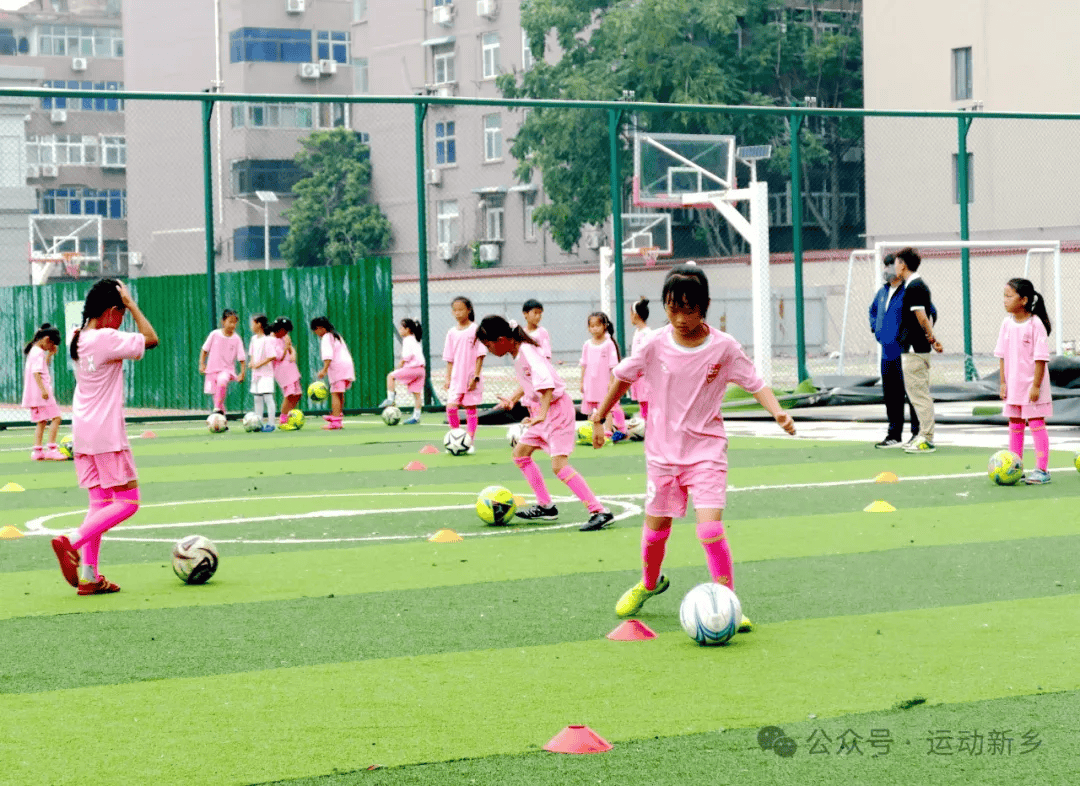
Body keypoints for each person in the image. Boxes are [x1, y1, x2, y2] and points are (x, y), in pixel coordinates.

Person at [588, 264, 796, 625]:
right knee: (656, 533)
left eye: (688, 309)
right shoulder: (654, 344)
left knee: (710, 529)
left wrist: (778, 412)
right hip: (662, 454)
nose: (680, 318)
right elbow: (622, 379)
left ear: (705, 306)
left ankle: (728, 602)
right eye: (672, 308)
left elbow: (754, 382)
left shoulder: (724, 348)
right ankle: (650, 583)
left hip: (706, 452)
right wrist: (598, 418)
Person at [50, 278, 159, 595]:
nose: (123, 319)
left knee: (100, 503)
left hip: (83, 431)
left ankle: (90, 576)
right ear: (112, 310)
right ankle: (70, 541)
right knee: (128, 502)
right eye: (121, 312)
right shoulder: (105, 337)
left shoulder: (78, 337)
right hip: (107, 432)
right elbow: (151, 339)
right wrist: (133, 305)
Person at [476, 315, 614, 531]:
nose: (488, 350)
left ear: (502, 339)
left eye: (488, 344)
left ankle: (599, 511)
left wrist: (541, 413)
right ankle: (546, 506)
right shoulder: (518, 352)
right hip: (542, 412)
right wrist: (513, 399)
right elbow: (530, 382)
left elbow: (547, 385)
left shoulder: (527, 353)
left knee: (559, 467)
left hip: (556, 411)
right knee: (520, 455)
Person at [996, 277, 1053, 485]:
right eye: (1004, 296)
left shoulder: (1035, 324)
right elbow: (1002, 355)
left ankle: (1042, 470)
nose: (1005, 300)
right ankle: (1015, 466)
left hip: (1031, 388)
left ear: (1024, 300)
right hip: (1013, 387)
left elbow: (1040, 358)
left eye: (1009, 296)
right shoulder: (1006, 324)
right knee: (1015, 423)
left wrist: (1036, 386)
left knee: (1037, 423)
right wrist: (1003, 383)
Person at [868, 254, 920, 448]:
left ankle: (917, 433)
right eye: (886, 265)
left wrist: (909, 336)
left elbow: (928, 313)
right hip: (887, 352)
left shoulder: (911, 290)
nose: (888, 269)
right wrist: (877, 330)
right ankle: (894, 435)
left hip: (907, 352)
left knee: (913, 394)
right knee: (891, 394)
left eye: (892, 265)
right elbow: (872, 312)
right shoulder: (882, 292)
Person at [894, 247, 943, 453]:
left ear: (903, 265)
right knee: (916, 393)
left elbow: (922, 317)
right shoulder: (913, 285)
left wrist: (931, 338)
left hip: (916, 348)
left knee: (919, 394)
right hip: (913, 347)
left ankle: (926, 438)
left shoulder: (915, 286)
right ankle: (923, 435)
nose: (894, 267)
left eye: (896, 263)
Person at [442, 296, 486, 453]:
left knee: (470, 408)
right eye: (454, 310)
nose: (457, 313)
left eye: (461, 309)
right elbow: (449, 358)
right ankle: (455, 438)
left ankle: (470, 442)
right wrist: (447, 378)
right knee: (451, 408)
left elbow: (480, 355)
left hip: (469, 377)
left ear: (469, 310)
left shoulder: (475, 329)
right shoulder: (451, 332)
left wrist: (476, 376)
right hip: (456, 378)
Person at [579, 311, 628, 441]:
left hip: (604, 381)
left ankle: (608, 430)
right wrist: (581, 382)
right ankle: (593, 431)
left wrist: (611, 382)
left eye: (597, 325)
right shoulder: (587, 345)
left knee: (607, 407)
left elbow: (613, 365)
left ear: (604, 326)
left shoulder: (608, 344)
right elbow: (584, 364)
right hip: (590, 382)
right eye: (591, 326)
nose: (594, 328)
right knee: (592, 407)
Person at [22, 323, 65, 461]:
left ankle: (38, 451)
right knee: (57, 417)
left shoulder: (35, 351)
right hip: (42, 394)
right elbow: (36, 373)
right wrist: (43, 390)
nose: (51, 347)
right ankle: (52, 449)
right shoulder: (38, 352)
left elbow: (42, 367)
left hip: (35, 395)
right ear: (47, 339)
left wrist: (50, 354)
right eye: (51, 343)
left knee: (41, 421)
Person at [199, 309, 246, 417]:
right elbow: (204, 350)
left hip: (227, 370)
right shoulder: (214, 334)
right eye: (230, 321)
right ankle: (222, 421)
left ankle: (216, 411)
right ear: (223, 321)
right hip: (211, 370)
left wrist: (242, 373)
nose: (233, 325)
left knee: (222, 381)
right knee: (217, 398)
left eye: (235, 322)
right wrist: (202, 364)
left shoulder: (237, 339)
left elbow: (242, 358)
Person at [311, 316, 354, 430]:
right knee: (340, 393)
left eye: (315, 330)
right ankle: (337, 416)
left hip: (338, 367)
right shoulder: (336, 335)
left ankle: (335, 421)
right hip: (347, 366)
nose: (316, 333)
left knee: (335, 393)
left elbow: (328, 355)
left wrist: (324, 370)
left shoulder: (326, 337)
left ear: (320, 328)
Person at [379, 318, 426, 424]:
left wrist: (399, 367)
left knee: (390, 376)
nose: (400, 329)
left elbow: (406, 357)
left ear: (408, 329)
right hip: (421, 371)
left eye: (401, 327)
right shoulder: (414, 339)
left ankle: (390, 399)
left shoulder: (408, 340)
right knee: (417, 395)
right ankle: (416, 417)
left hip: (413, 369)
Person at [270, 317, 303, 430]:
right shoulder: (271, 340)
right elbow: (279, 356)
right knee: (289, 394)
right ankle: (283, 420)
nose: (286, 333)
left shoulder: (284, 337)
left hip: (291, 367)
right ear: (279, 329)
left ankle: (289, 416)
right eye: (285, 330)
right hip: (282, 370)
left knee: (297, 394)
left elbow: (290, 348)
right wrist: (286, 347)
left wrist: (293, 352)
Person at [247, 314, 277, 432]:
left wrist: (259, 364)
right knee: (257, 399)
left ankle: (271, 423)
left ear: (259, 324)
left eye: (253, 323)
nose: (251, 326)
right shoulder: (253, 339)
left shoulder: (267, 340)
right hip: (256, 375)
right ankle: (258, 423)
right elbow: (252, 354)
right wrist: (252, 363)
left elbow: (272, 355)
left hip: (266, 375)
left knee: (268, 398)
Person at [628, 297, 653, 422]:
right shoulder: (638, 332)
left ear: (636, 315)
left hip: (645, 376)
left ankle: (649, 428)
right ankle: (646, 427)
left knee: (646, 402)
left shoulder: (646, 333)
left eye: (631, 313)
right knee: (642, 403)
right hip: (638, 376)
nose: (630, 317)